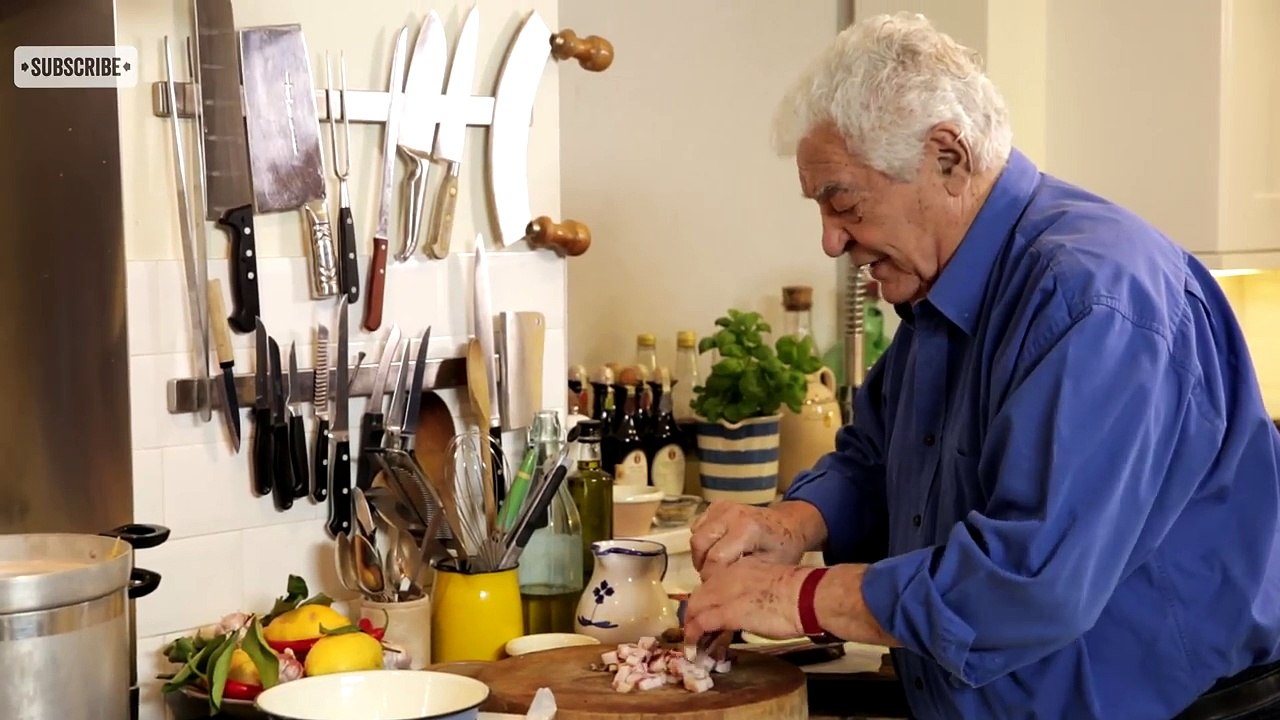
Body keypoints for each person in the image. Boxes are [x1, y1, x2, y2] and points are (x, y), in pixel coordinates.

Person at [684, 12, 1280, 720]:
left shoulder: (1094, 297)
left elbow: (1029, 580)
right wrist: (790, 525)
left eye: (843, 203)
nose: (829, 239)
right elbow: (875, 459)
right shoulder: (945, 289)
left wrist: (797, 597)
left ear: (947, 157)